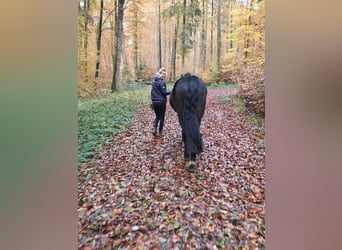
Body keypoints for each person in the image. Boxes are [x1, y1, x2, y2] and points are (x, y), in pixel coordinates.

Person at [151, 67, 171, 137]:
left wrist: (153, 101)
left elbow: (152, 92)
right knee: (162, 117)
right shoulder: (161, 82)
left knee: (157, 117)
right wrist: (171, 92)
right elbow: (164, 93)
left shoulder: (154, 82)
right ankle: (160, 133)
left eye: (165, 74)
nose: (164, 75)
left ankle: (154, 128)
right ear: (159, 73)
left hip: (154, 101)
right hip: (161, 102)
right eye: (163, 74)